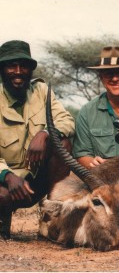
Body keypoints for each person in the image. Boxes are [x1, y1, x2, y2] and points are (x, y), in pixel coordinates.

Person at [0, 40, 75, 239]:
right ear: (2, 69)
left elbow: (66, 120)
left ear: (30, 70)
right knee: (2, 197)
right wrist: (6, 175)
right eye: (11, 66)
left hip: (34, 180)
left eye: (23, 66)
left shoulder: (41, 91)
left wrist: (46, 133)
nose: (18, 71)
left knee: (63, 144)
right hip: (7, 183)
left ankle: (51, 219)